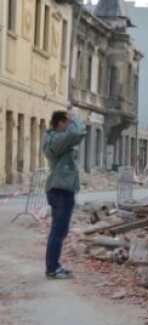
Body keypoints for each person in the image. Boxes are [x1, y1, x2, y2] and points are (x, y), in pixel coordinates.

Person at [42, 108, 87, 279]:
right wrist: (77, 118)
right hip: (60, 191)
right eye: (67, 121)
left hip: (61, 189)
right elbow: (77, 134)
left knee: (59, 231)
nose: (70, 124)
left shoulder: (55, 138)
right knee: (58, 231)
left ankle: (54, 266)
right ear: (61, 123)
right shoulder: (57, 139)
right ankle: (52, 268)